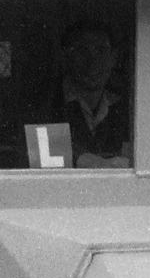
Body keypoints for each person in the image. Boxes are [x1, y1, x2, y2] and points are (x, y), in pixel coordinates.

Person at [54, 22, 131, 168]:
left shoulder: (128, 105)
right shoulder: (48, 102)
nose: (93, 61)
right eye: (82, 51)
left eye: (101, 51)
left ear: (114, 57)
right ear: (66, 57)